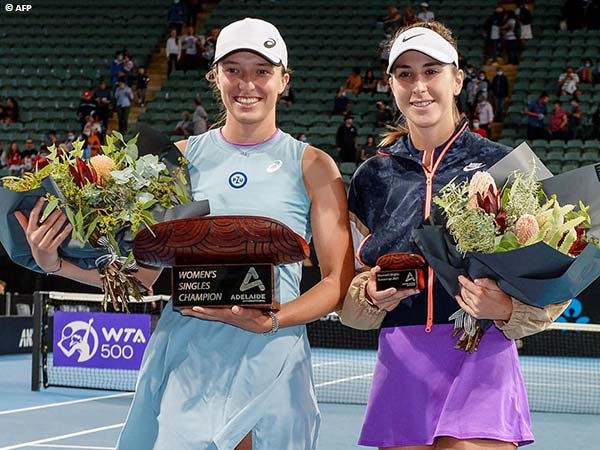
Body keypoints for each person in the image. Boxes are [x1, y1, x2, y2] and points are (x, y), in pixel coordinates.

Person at [7, 18, 353, 450]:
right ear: (215, 77)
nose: (247, 84)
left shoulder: (314, 165)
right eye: (233, 70)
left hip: (273, 353)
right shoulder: (174, 160)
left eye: (262, 71)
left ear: (284, 80)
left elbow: (337, 281)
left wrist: (272, 320)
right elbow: (143, 279)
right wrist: (55, 265)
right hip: (188, 358)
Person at [341, 22, 570, 450]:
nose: (419, 86)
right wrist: (370, 296)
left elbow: (555, 289)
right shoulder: (371, 177)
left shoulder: (509, 166)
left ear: (458, 78)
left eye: (431, 71)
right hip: (401, 359)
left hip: (482, 354)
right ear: (391, 85)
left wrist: (505, 308)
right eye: (405, 74)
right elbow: (349, 299)